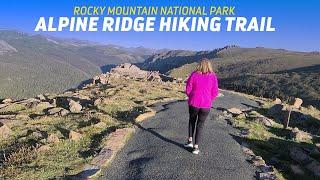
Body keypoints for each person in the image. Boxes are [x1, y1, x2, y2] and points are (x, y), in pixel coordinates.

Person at [184, 58, 219, 155]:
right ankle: (196, 147)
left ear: (199, 65)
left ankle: (190, 142)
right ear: (209, 66)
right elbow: (215, 92)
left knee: (192, 121)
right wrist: (208, 99)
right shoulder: (213, 76)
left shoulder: (194, 74)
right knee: (200, 125)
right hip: (206, 105)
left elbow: (188, 89)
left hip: (194, 103)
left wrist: (191, 96)